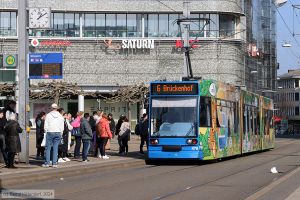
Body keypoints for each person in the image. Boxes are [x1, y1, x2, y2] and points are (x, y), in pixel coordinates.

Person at [42, 103, 64, 168]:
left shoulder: (48, 115)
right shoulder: (60, 116)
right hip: (58, 132)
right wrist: (61, 133)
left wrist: (46, 131)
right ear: (57, 108)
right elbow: (62, 126)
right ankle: (54, 163)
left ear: (51, 108)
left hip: (50, 132)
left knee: (48, 148)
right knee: (55, 148)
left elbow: (45, 125)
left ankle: (47, 163)